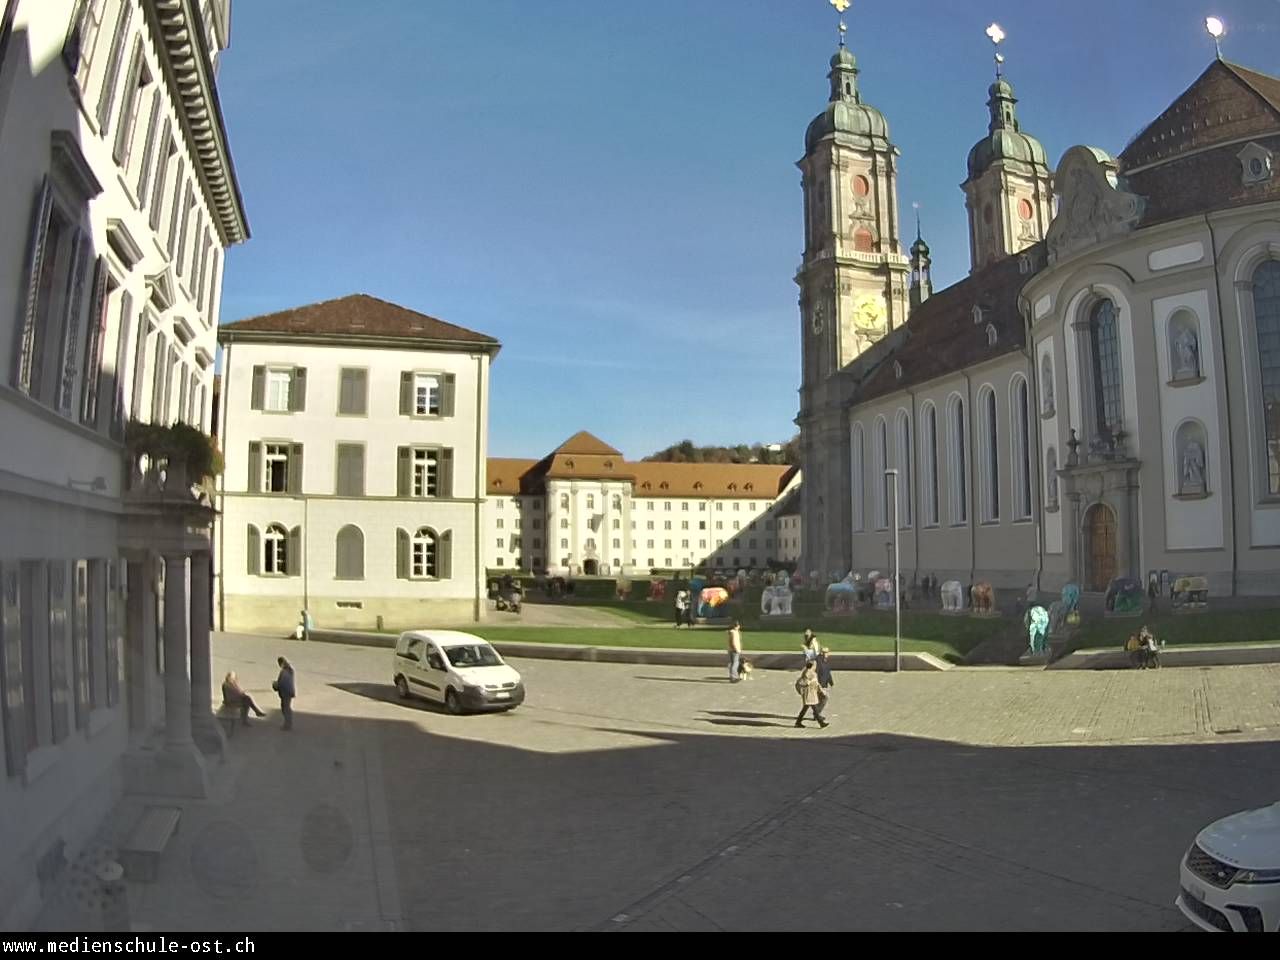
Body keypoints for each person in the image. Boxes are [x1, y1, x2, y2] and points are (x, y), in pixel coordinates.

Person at [794, 661, 828, 729]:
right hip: (809, 693)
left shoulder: (808, 672)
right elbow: (811, 683)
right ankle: (821, 722)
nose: (816, 666)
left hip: (810, 693)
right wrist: (821, 690)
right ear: (812, 666)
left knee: (805, 708)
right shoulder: (809, 673)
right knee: (814, 708)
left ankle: (798, 722)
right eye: (815, 665)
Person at [272, 657, 296, 730]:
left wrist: (275, 684)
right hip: (289, 691)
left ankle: (287, 724)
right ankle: (288, 723)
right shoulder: (289, 670)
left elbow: (282, 683)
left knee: (285, 708)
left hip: (286, 692)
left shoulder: (284, 672)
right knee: (286, 708)